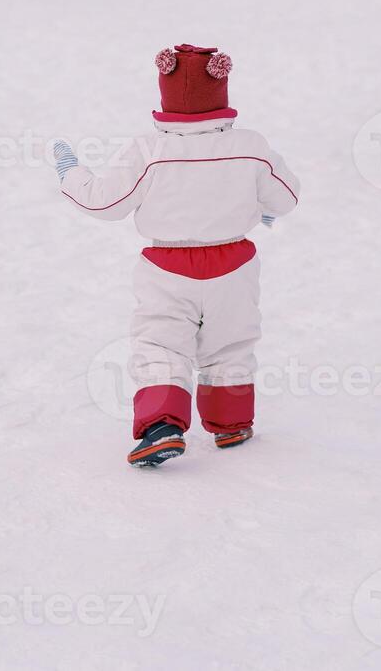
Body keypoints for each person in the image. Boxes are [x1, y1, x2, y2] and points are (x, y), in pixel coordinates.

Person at [52, 44, 300, 467]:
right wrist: (264, 209)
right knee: (232, 343)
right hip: (234, 267)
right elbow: (287, 196)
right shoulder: (250, 146)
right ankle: (232, 422)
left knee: (161, 346)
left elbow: (104, 204)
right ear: (222, 91)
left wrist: (71, 173)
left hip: (167, 269)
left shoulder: (150, 150)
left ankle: (162, 426)